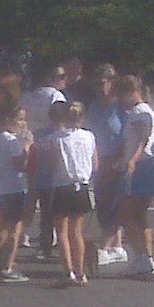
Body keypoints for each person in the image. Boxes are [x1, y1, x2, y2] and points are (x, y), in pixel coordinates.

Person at [114, 74, 154, 278]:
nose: (120, 101)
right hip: (152, 164)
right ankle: (146, 258)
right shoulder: (149, 111)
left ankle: (142, 257)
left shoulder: (138, 112)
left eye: (121, 95)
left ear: (131, 92)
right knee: (140, 214)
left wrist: (132, 160)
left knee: (127, 213)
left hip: (142, 166)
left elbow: (142, 140)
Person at [19, 64, 68, 257]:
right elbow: (61, 121)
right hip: (49, 146)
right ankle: (49, 233)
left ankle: (23, 231)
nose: (63, 79)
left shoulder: (27, 96)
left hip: (30, 143)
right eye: (60, 76)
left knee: (31, 192)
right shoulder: (55, 96)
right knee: (49, 193)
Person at [47, 101, 98, 286]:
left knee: (62, 231)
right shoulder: (89, 136)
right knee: (76, 232)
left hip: (62, 186)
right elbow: (95, 164)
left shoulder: (56, 138)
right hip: (82, 186)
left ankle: (68, 271)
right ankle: (80, 271)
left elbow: (52, 165)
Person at [84, 64, 128, 268]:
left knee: (113, 205)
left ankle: (104, 247)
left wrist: (118, 160)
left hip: (117, 162)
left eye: (102, 83)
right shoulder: (94, 106)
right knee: (102, 204)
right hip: (99, 162)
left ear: (112, 83)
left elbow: (128, 136)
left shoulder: (120, 106)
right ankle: (117, 246)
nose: (99, 88)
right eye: (95, 84)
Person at [0, 104, 30, 282]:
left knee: (3, 226)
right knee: (13, 228)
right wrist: (26, 147)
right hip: (14, 187)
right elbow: (20, 165)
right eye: (19, 119)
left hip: (0, 187)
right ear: (8, 120)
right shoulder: (12, 141)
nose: (22, 124)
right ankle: (6, 266)